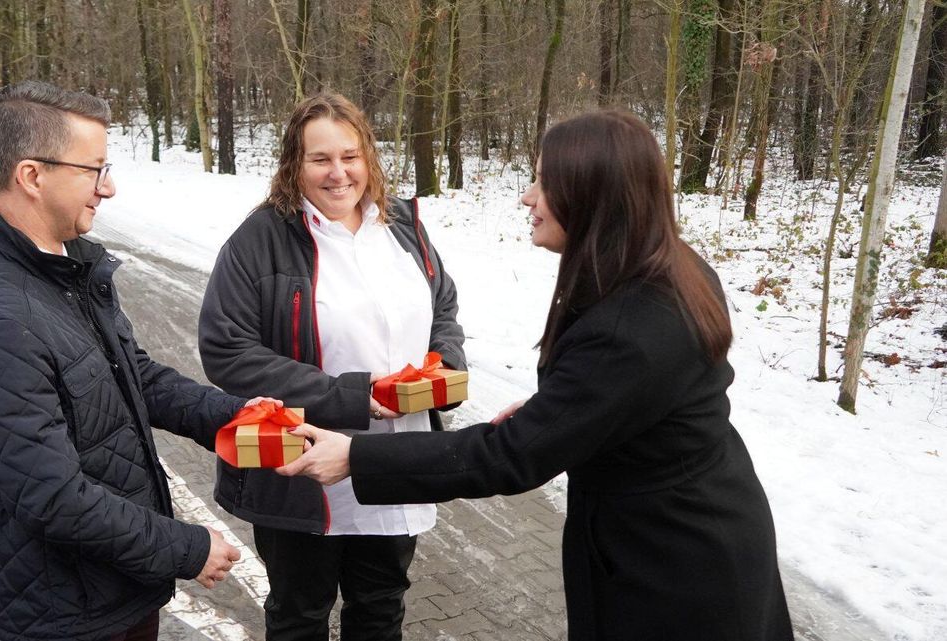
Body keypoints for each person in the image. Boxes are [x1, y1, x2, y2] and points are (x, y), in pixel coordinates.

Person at [279, 110, 795, 641]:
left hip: (675, 566)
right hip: (690, 527)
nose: (528, 196)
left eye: (546, 182)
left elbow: (511, 456)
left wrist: (355, 456)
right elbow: (640, 393)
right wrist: (568, 407)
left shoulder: (634, 321)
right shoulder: (663, 265)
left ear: (591, 195)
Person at [0, 80, 267, 641]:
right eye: (94, 169)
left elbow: (132, 375)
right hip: (68, 613)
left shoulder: (65, 270)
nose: (107, 188)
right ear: (32, 176)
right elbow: (52, 497)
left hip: (116, 588)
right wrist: (184, 548)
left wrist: (232, 416)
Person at [198, 92, 465, 641]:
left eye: (350, 155)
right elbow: (226, 348)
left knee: (380, 606)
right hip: (301, 466)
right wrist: (348, 395)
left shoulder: (402, 227)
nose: (338, 173)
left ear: (369, 156)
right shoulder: (260, 240)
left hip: (392, 458)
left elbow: (441, 306)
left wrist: (446, 371)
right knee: (300, 615)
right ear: (294, 164)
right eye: (319, 159)